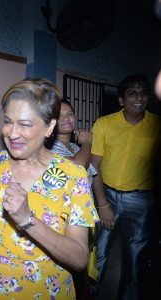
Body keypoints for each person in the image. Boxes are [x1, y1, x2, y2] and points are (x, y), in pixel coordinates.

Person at [0, 78, 99, 299]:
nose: (12, 133)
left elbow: (79, 258)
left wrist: (28, 220)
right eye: (8, 122)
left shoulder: (73, 176)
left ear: (49, 127)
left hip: (45, 290)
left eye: (25, 124)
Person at [91, 74, 161, 299]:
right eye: (132, 93)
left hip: (141, 202)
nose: (138, 97)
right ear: (121, 100)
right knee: (97, 254)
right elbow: (94, 167)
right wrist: (102, 205)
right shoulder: (104, 124)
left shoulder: (157, 126)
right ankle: (91, 294)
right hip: (106, 194)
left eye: (143, 92)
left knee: (135, 260)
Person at [49, 99, 98, 298]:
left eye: (69, 114)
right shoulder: (50, 149)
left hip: (83, 218)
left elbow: (92, 176)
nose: (66, 119)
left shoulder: (76, 149)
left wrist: (101, 206)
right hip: (65, 222)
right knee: (71, 271)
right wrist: (87, 142)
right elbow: (78, 168)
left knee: (83, 273)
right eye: (59, 115)